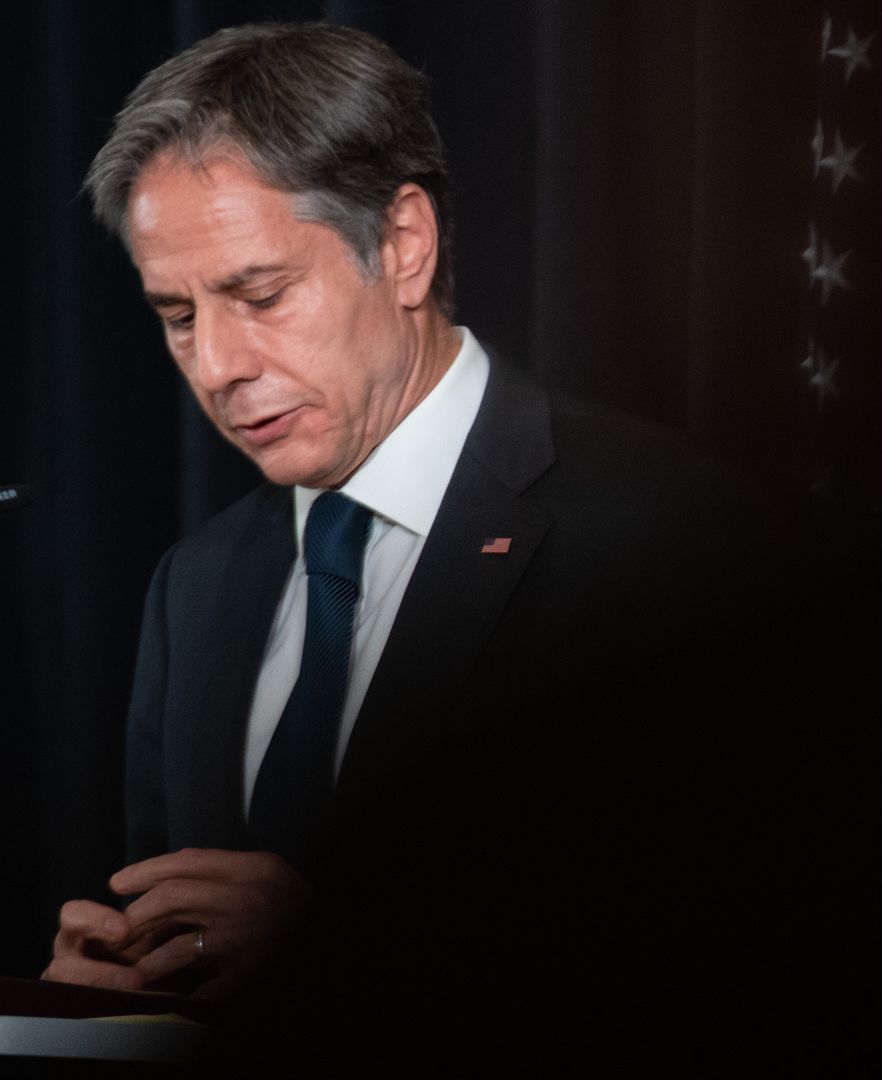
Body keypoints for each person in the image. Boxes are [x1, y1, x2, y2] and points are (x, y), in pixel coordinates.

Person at [40, 22, 788, 1060]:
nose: (215, 364)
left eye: (260, 297)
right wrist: (107, 1001)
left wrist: (339, 955)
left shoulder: (669, 534)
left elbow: (751, 961)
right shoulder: (197, 584)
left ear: (403, 246)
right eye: (176, 315)